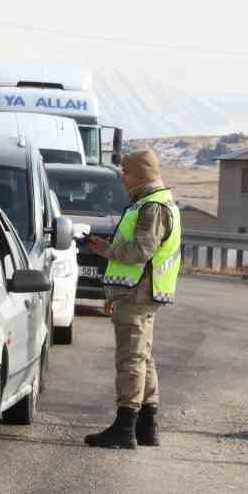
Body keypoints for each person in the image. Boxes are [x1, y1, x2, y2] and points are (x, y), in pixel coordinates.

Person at [82, 148, 180, 450]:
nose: (122, 177)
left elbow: (140, 251)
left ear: (138, 174)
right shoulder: (158, 203)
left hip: (138, 292)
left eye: (125, 171)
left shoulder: (151, 207)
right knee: (143, 356)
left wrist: (107, 250)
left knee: (131, 359)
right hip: (142, 291)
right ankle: (147, 425)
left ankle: (125, 427)